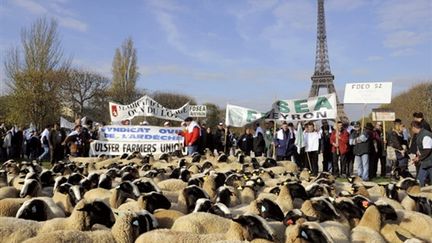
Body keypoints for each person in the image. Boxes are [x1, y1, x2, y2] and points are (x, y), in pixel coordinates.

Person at [411, 120, 432, 186]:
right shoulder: (420, 134)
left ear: (414, 127)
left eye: (411, 128)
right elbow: (423, 148)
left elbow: (427, 150)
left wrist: (418, 158)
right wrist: (418, 153)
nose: (411, 130)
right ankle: (420, 194)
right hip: (425, 162)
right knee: (419, 181)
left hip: (430, 162)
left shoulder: (425, 135)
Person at [409, 112, 431, 177]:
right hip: (424, 159)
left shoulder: (424, 127)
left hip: (428, 159)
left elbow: (427, 148)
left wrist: (419, 157)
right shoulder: (421, 129)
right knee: (420, 178)